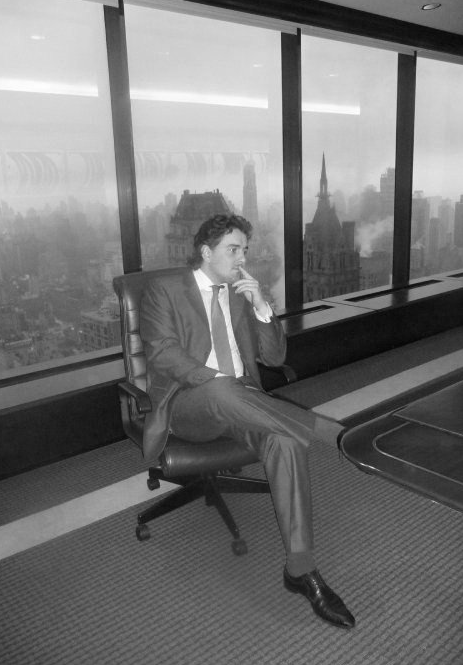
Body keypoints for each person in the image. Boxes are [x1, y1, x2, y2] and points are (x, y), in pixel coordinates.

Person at [139, 213, 355, 629]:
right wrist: (218, 381)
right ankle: (333, 434)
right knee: (223, 389)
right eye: (233, 250)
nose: (243, 259)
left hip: (243, 402)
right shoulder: (164, 290)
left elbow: (274, 357)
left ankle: (301, 569)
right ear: (207, 252)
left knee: (285, 442)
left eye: (245, 250)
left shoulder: (240, 293)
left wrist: (261, 308)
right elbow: (163, 353)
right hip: (190, 404)